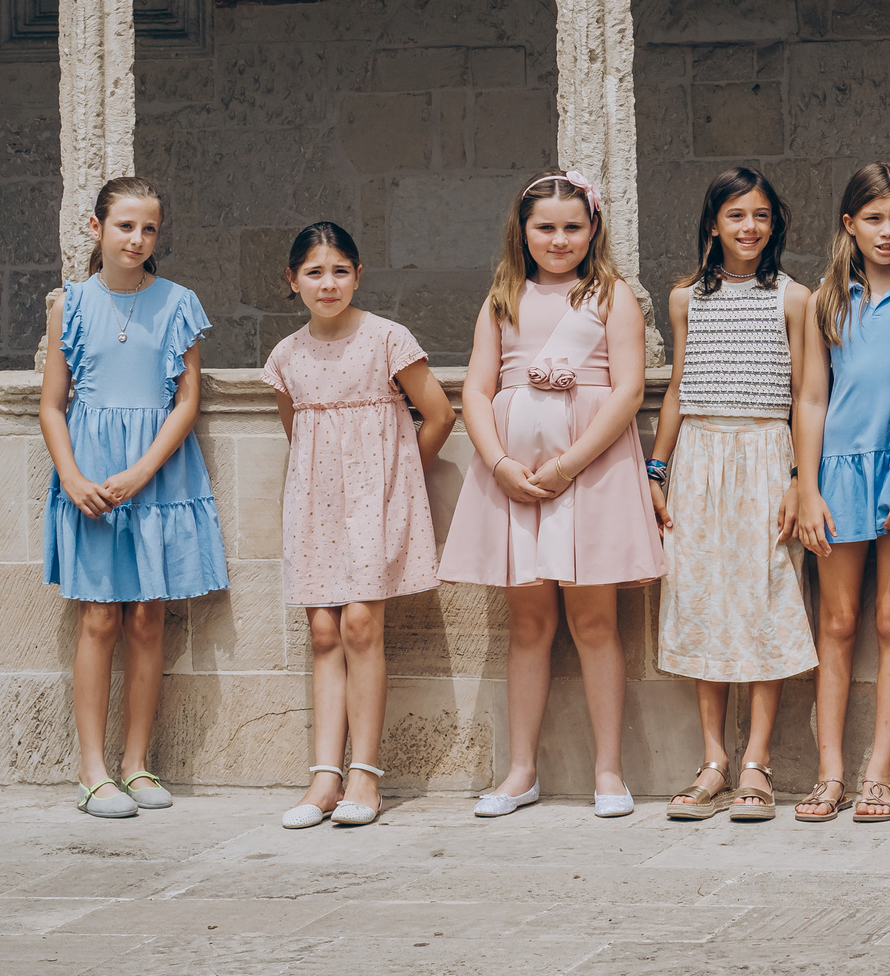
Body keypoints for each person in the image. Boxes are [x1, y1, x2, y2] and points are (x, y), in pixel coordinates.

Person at [439, 171, 662, 817]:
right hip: (515, 479)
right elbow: (476, 390)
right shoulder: (503, 297)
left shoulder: (612, 296)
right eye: (546, 227)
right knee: (530, 624)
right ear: (524, 231)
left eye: (572, 226)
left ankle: (610, 771)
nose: (559, 239)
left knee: (595, 622)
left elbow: (627, 390)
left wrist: (570, 464)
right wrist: (500, 462)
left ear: (592, 229)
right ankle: (520, 771)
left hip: (587, 474)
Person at [40, 177, 230, 819]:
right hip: (90, 474)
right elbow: (52, 405)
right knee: (99, 617)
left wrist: (145, 470)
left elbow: (186, 401)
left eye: (149, 228)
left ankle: (136, 763)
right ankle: (92, 770)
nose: (137, 239)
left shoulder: (178, 302)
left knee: (149, 617)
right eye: (125, 226)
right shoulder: (69, 303)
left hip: (158, 473)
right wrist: (71, 476)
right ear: (97, 228)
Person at [264, 222, 453, 830]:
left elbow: (440, 414)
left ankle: (365, 775)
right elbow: (300, 435)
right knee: (323, 631)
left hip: (377, 503)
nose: (328, 283)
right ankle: (324, 776)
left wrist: (394, 482)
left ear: (358, 274)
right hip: (315, 505)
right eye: (315, 272)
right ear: (291, 281)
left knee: (362, 624)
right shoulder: (286, 356)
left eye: (340, 271)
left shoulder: (388, 339)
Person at [649, 168, 816, 823]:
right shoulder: (686, 298)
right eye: (737, 215)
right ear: (713, 222)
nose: (750, 227)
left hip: (765, 456)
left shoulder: (794, 298)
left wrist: (801, 479)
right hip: (699, 458)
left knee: (763, 600)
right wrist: (656, 472)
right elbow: (678, 391)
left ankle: (758, 763)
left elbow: (806, 396)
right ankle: (713, 760)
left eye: (762, 216)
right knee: (700, 601)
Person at [789, 161, 890, 823]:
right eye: (874, 218)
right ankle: (829, 774)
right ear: (850, 223)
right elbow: (812, 397)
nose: (887, 231)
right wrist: (807, 487)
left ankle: (881, 776)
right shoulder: (828, 299)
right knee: (838, 624)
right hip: (839, 474)